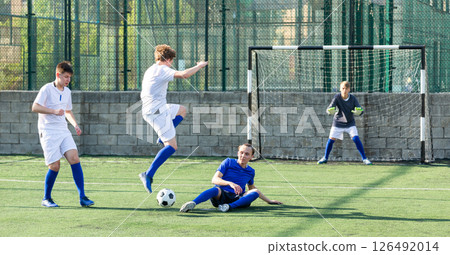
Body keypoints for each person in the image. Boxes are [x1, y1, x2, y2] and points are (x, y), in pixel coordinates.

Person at [139, 44, 208, 193]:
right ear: (168, 59)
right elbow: (184, 75)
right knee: (171, 147)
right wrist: (200, 66)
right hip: (156, 111)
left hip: (156, 108)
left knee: (182, 110)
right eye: (171, 61)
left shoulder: (151, 69)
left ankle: (161, 137)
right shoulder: (162, 69)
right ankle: (148, 174)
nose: (171, 64)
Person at [32, 61, 94, 207]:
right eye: (66, 77)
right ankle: (46, 198)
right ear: (58, 75)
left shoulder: (67, 92)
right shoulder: (46, 89)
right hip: (48, 131)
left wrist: (75, 125)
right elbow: (34, 107)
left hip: (63, 131)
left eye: (69, 78)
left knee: (74, 158)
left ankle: (83, 197)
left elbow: (67, 111)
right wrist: (53, 111)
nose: (68, 80)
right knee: (55, 166)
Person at [179, 143, 282, 213]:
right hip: (222, 195)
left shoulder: (251, 171)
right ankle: (193, 203)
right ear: (238, 153)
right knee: (215, 189)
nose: (243, 156)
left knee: (255, 193)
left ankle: (228, 207)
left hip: (237, 198)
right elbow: (214, 179)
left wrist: (269, 201)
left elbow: (253, 189)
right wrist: (230, 183)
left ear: (251, 157)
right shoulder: (228, 162)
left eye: (247, 154)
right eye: (241, 153)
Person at [318, 81, 372, 165]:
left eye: (346, 89)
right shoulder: (337, 97)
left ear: (349, 89)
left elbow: (360, 109)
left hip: (350, 123)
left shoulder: (353, 98)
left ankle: (365, 159)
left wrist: (359, 112)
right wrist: (330, 111)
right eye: (343, 88)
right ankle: (325, 158)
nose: (344, 90)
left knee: (355, 138)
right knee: (331, 140)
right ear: (340, 89)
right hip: (338, 123)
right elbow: (329, 108)